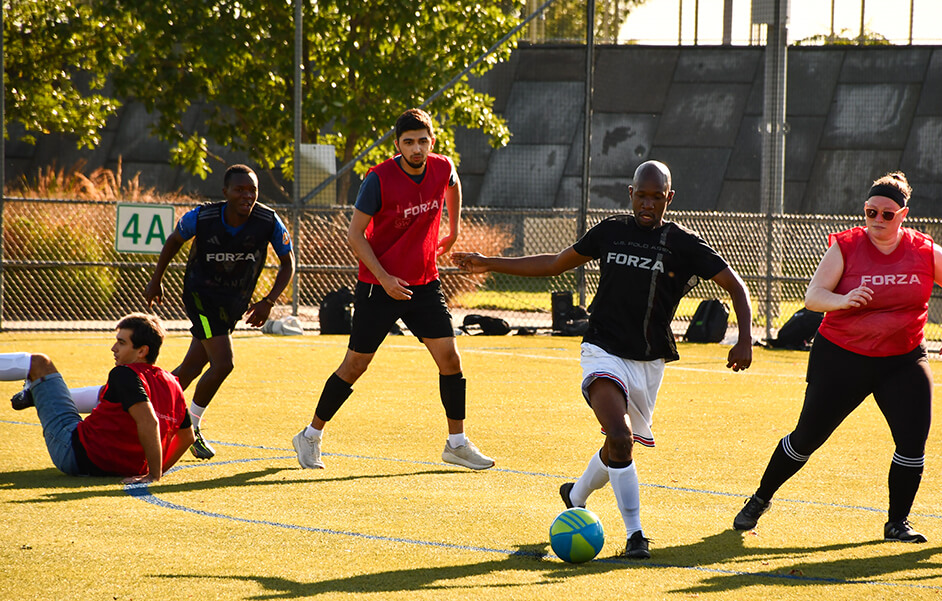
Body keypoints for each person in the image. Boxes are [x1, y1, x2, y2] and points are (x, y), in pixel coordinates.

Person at [453, 160, 754, 559]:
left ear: (670, 198)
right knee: (620, 436)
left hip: (648, 362)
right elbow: (554, 264)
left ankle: (575, 494)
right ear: (630, 194)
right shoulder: (611, 231)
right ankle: (636, 536)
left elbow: (736, 286)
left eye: (657, 197)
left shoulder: (683, 244)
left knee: (619, 444)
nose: (648, 205)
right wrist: (489, 263)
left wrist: (745, 338)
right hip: (602, 350)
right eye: (641, 196)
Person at [733, 172, 942, 543]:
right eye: (870, 212)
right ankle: (760, 498)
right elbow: (814, 296)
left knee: (912, 442)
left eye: (887, 214)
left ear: (903, 215)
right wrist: (843, 301)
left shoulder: (925, 250)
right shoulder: (846, 246)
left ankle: (897, 523)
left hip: (903, 358)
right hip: (843, 357)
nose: (877, 220)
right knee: (806, 438)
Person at [291, 108, 493, 472]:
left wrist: (455, 228)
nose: (417, 148)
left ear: (432, 141)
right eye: (408, 142)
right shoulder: (378, 180)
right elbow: (355, 236)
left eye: (423, 141)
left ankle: (457, 443)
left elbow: (454, 182)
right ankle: (310, 435)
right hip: (377, 286)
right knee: (355, 365)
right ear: (397, 144)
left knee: (450, 360)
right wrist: (384, 278)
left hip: (424, 283)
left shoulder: (442, 166)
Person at [144, 164, 294, 460]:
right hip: (201, 297)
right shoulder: (201, 217)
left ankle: (142, 403)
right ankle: (191, 426)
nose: (247, 195)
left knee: (191, 368)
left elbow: (288, 262)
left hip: (233, 302)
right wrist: (156, 279)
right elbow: (174, 241)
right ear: (225, 192)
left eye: (252, 190)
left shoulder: (268, 220)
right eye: (239, 189)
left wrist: (269, 301)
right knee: (224, 363)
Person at [0, 313, 194, 483]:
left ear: (142, 351)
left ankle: (37, 392)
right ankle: (39, 394)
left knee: (39, 363)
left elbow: (149, 421)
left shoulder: (124, 373)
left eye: (121, 342)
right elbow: (187, 437)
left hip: (75, 454)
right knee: (108, 394)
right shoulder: (172, 382)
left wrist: (153, 474)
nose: (113, 348)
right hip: (119, 465)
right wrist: (154, 468)